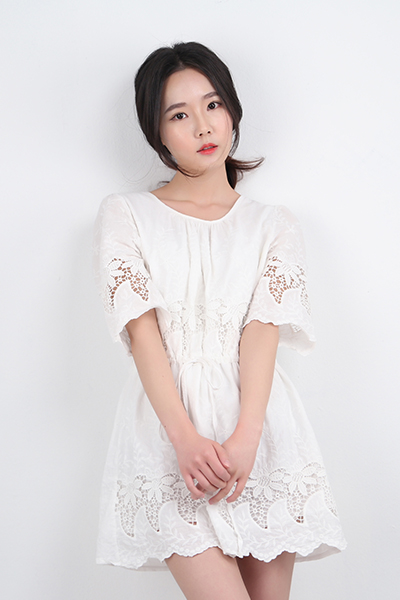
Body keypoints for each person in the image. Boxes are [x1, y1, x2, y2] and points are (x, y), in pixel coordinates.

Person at [93, 42, 346, 600]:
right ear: (157, 133)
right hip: (170, 438)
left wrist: (248, 437)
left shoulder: (274, 224)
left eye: (213, 105)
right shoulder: (126, 214)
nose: (203, 126)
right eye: (179, 115)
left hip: (259, 432)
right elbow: (142, 334)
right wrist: (183, 438)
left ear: (232, 109)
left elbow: (263, 332)